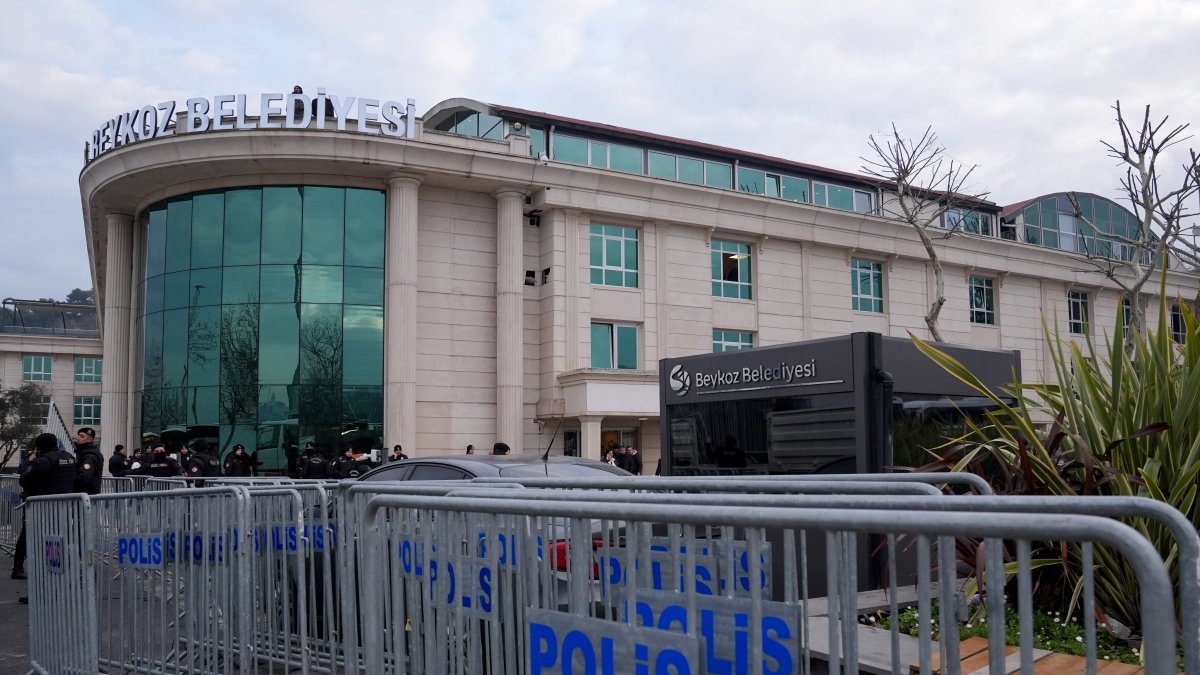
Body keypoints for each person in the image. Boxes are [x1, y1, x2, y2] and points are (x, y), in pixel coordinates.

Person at [14, 433, 77, 603]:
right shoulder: (69, 457)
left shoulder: (42, 461)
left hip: (43, 512)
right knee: (58, 550)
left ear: (39, 446)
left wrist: (32, 460)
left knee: (39, 554)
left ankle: (39, 590)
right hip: (62, 511)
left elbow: (24, 480)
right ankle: (60, 586)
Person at [73, 426, 104, 495]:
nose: (77, 438)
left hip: (86, 495)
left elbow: (84, 478)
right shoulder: (84, 453)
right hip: (86, 495)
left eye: (82, 436)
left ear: (90, 440)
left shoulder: (90, 456)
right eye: (78, 435)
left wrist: (69, 478)